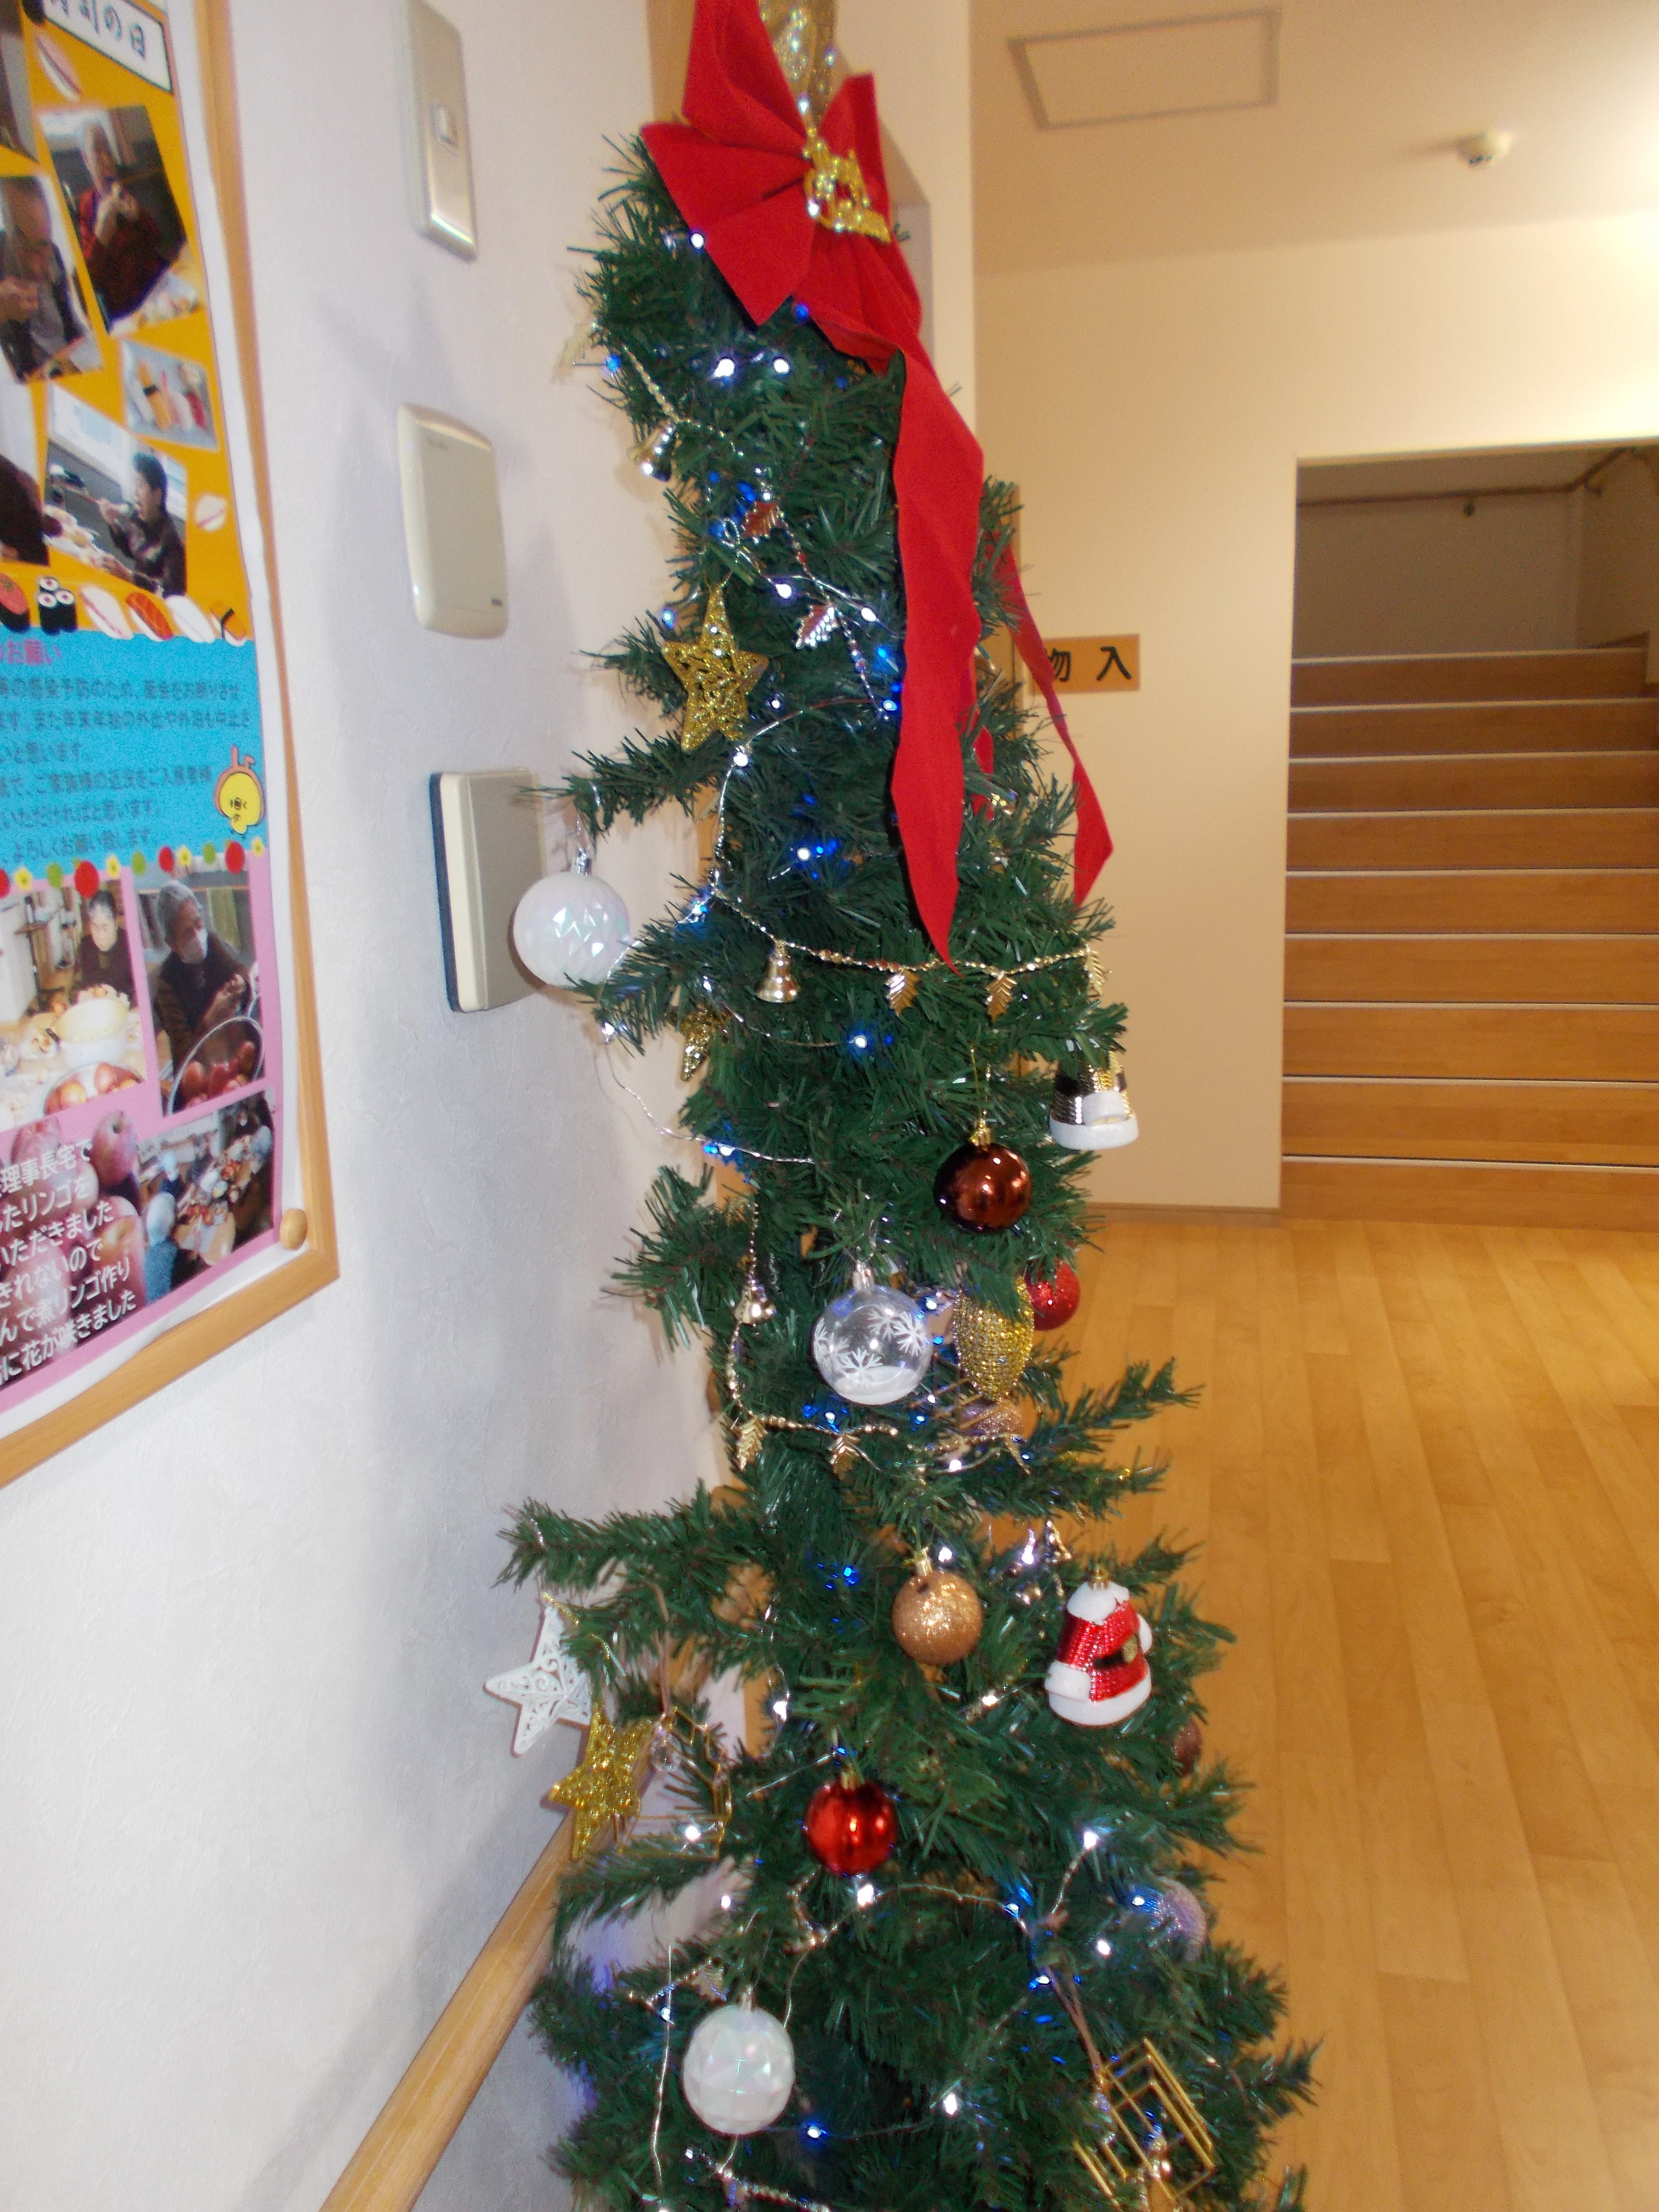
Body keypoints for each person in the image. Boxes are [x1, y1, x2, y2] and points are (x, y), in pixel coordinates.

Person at [150, 881, 248, 1076]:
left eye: (199, 924)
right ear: (172, 943)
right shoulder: (167, 985)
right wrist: (210, 1020)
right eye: (188, 932)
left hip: (230, 1047)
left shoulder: (211, 943)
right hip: (200, 1069)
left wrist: (241, 981)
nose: (198, 936)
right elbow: (183, 1056)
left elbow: (237, 969)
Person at [76, 121, 169, 323]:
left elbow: (158, 238)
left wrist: (139, 217)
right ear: (86, 160)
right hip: (127, 307)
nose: (107, 160)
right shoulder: (87, 205)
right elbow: (90, 279)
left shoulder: (123, 193)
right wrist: (101, 237)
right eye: (97, 151)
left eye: (109, 151)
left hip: (157, 289)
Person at [0, 175, 90, 381]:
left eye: (42, 246)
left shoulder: (54, 254)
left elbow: (71, 325)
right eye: (22, 245)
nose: (35, 267)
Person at [98, 448, 184, 596]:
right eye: (135, 484)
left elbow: (170, 593)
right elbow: (132, 549)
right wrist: (112, 522)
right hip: (136, 595)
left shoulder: (170, 540)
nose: (135, 492)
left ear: (157, 496)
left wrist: (129, 576)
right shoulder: (140, 520)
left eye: (140, 485)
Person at [72, 886, 135, 1001]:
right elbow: (74, 990)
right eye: (95, 928)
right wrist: (81, 995)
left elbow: (140, 992)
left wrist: (119, 997)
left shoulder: (129, 945)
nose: (101, 936)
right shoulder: (85, 947)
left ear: (116, 923)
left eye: (105, 928)